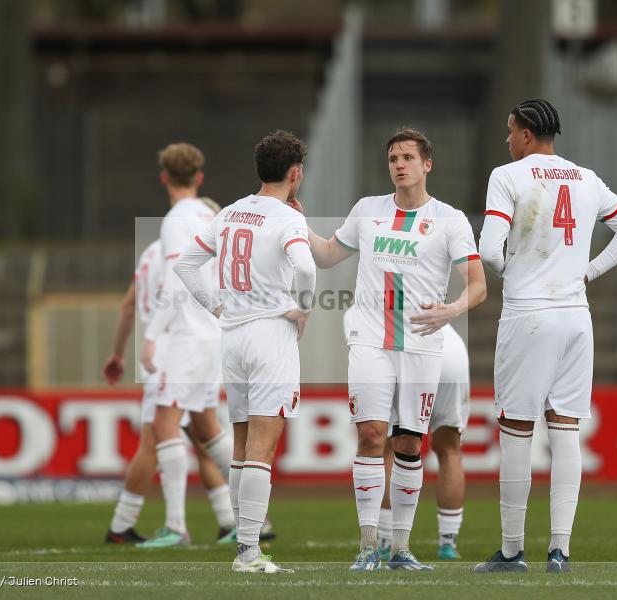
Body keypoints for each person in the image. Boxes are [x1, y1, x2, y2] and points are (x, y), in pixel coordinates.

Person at [475, 99, 617, 574]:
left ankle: (512, 551)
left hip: (528, 313)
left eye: (511, 131)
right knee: (565, 426)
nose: (507, 140)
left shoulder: (508, 175)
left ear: (527, 134)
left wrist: (517, 274)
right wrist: (587, 273)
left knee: (515, 428)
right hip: (575, 315)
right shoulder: (586, 177)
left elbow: (488, 249)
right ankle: (560, 550)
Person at [305, 128, 486, 571]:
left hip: (423, 346)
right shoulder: (367, 211)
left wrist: (452, 309)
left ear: (427, 164)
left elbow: (478, 286)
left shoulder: (451, 220)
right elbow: (328, 255)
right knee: (370, 436)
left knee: (408, 443)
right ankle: (369, 545)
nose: (399, 164)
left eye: (407, 157)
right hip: (370, 341)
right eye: (392, 158)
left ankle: (402, 548)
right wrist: (297, 223)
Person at [174, 130, 315, 574]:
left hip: (231, 337)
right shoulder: (287, 217)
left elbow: (185, 264)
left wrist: (215, 305)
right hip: (270, 334)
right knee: (261, 447)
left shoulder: (231, 212)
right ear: (295, 174)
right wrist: (304, 310)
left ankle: (244, 548)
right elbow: (307, 266)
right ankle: (250, 553)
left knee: (240, 445)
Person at [102, 233, 235, 546]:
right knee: (181, 436)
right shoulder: (197, 251)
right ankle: (232, 520)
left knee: (176, 437)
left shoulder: (152, 253)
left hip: (172, 354)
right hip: (189, 352)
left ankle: (224, 521)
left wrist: (119, 352)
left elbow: (129, 304)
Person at [133, 143, 234, 548]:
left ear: (163, 178)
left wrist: (153, 334)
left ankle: (176, 527)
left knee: (164, 424)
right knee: (208, 426)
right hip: (212, 332)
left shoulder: (176, 219)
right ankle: (253, 516)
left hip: (187, 334)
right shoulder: (212, 214)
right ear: (200, 177)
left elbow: (178, 277)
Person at [343, 312, 470, 562]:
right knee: (450, 449)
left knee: (391, 444)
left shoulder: (357, 311)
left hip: (407, 351)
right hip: (450, 347)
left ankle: (386, 539)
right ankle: (448, 543)